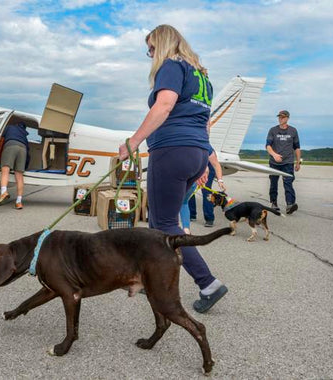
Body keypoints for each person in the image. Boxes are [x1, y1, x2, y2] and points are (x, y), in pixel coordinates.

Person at [119, 24, 228, 313]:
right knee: (158, 226)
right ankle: (149, 280)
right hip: (196, 152)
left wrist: (133, 141)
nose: (150, 54)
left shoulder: (171, 65)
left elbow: (164, 105)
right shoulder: (202, 77)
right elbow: (205, 123)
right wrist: (203, 158)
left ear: (163, 44)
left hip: (171, 150)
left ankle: (208, 283)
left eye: (152, 48)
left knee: (165, 225)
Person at [181, 149, 225, 233]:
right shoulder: (187, 143)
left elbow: (216, 164)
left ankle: (209, 218)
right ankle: (192, 214)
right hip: (193, 167)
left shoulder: (207, 147)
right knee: (189, 190)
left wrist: (220, 180)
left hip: (207, 168)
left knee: (206, 191)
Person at [266, 110, 301, 214]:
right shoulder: (273, 130)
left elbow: (297, 147)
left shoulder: (293, 131)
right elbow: (268, 146)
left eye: (283, 117)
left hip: (288, 162)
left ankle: (290, 204)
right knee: (273, 183)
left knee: (288, 183)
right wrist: (274, 154)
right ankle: (274, 203)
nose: (281, 119)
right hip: (274, 163)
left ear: (287, 118)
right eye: (279, 117)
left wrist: (298, 162)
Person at [0, 122, 29, 209]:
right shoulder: (24, 134)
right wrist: (26, 166)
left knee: (5, 170)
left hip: (11, 145)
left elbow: (0, 139)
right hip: (23, 149)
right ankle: (19, 202)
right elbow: (28, 151)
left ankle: (4, 192)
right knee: (19, 176)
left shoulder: (9, 127)